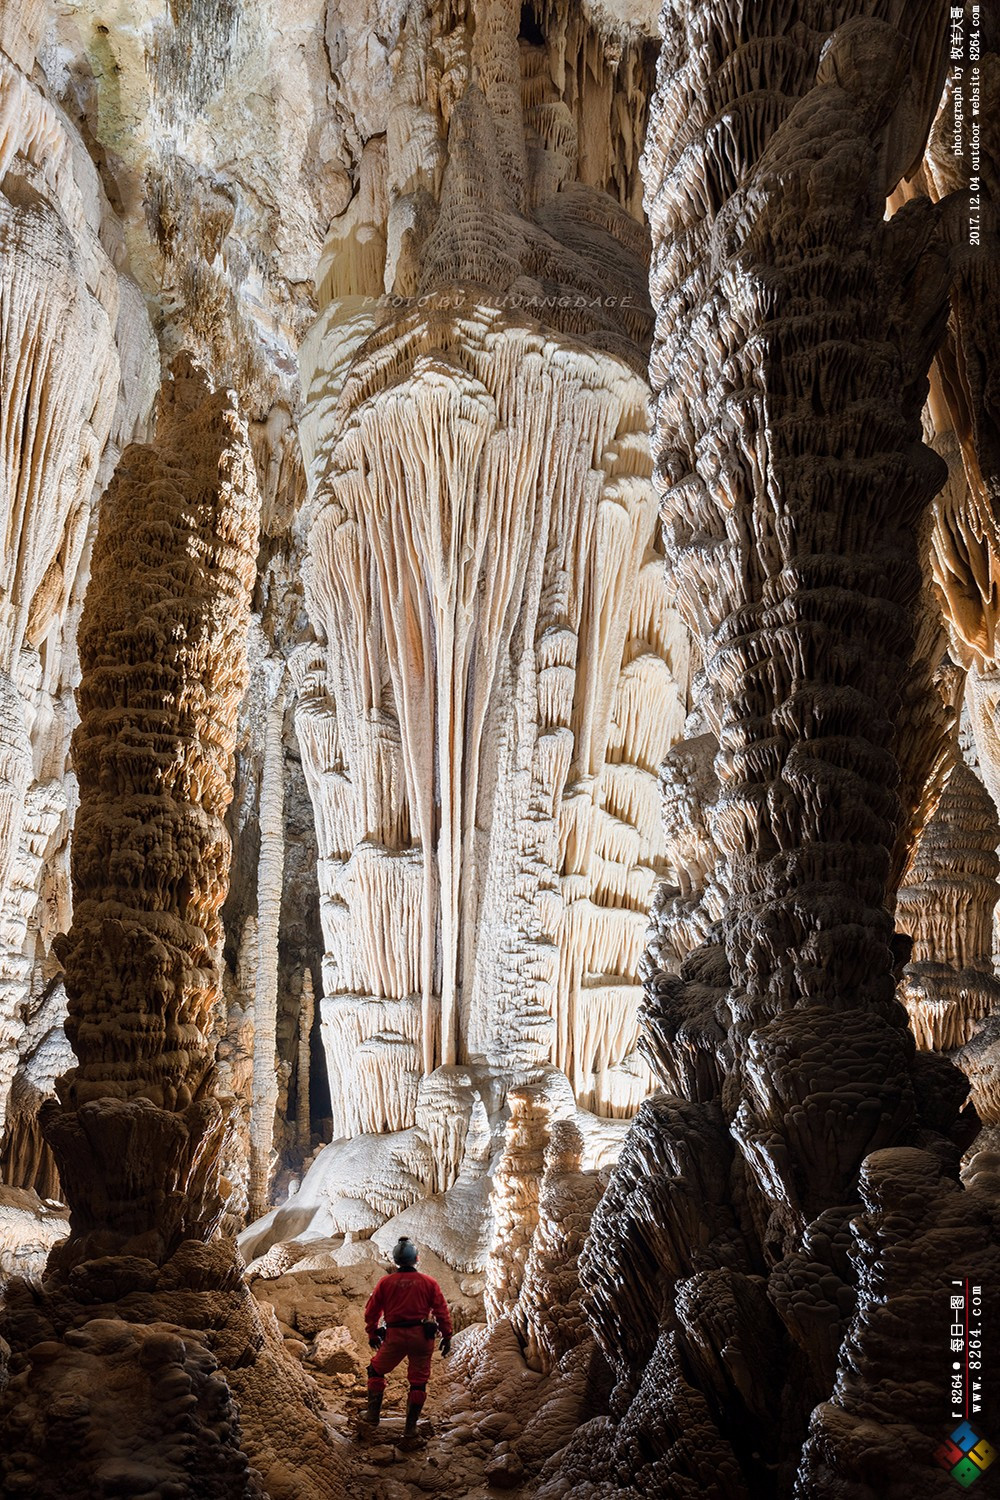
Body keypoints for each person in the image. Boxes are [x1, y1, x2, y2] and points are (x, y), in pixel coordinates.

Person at [363, 1236, 453, 1437]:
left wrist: (372, 1332)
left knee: (375, 1370)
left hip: (394, 1336)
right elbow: (441, 1311)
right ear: (417, 1259)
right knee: (418, 1381)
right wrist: (447, 1335)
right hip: (422, 1337)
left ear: (395, 1261)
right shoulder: (428, 1282)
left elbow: (372, 1311)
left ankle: (372, 1415)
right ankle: (410, 1428)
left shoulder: (385, 1282)